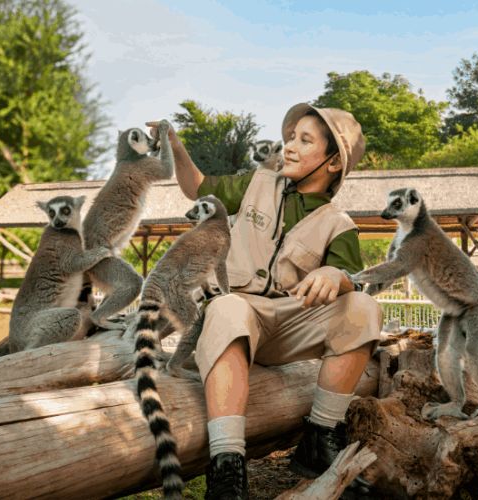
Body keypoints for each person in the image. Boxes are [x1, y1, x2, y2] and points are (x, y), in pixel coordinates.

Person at [148, 103, 382, 499]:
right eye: (291, 137)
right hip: (239, 314)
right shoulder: (258, 182)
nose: (289, 146)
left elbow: (349, 279)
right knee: (226, 307)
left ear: (331, 163)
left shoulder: (339, 224)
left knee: (364, 308)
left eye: (304, 141)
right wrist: (175, 146)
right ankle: (227, 465)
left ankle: (321, 434)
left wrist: (333, 275)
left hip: (290, 325)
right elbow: (197, 186)